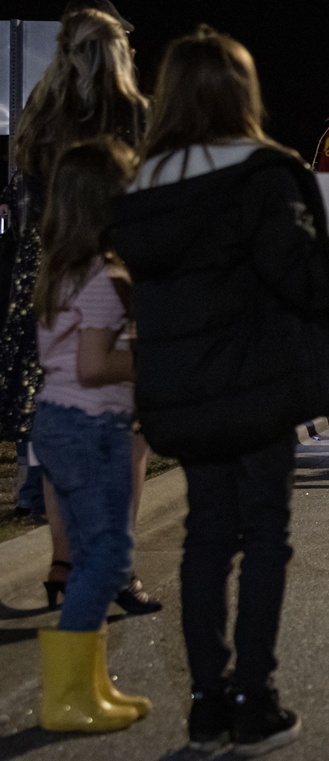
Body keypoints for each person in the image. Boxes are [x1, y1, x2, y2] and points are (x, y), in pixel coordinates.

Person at [110, 26, 329, 753]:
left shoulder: (140, 185)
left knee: (204, 538)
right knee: (261, 538)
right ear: (240, 92)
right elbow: (308, 278)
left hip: (180, 393)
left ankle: (204, 705)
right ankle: (253, 700)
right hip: (257, 387)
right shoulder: (262, 173)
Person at [0, 7, 158, 611]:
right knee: (128, 428)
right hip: (115, 277)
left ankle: (64, 564)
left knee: (62, 419)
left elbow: (20, 208)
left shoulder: (38, 121)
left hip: (44, 284)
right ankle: (115, 563)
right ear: (118, 52)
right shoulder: (134, 117)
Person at [32, 138, 151, 733]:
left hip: (58, 421)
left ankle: (92, 685)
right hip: (88, 426)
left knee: (89, 559)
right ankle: (67, 695)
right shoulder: (103, 279)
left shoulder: (61, 270)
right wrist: (154, 357)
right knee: (107, 560)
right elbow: (94, 366)